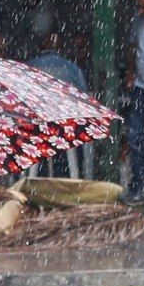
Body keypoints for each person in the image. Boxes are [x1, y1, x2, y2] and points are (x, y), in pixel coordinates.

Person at [28, 32, 89, 179]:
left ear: (41, 47)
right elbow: (84, 98)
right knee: (74, 141)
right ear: (61, 47)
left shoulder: (28, 67)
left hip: (36, 130)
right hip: (65, 128)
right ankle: (69, 177)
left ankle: (37, 180)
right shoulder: (72, 68)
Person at [123, 0, 144, 205]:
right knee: (135, 137)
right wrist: (130, 73)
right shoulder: (138, 22)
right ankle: (139, 185)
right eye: (138, 7)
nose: (140, 11)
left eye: (143, 7)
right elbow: (132, 49)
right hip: (140, 87)